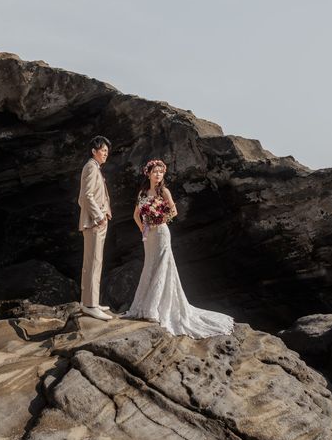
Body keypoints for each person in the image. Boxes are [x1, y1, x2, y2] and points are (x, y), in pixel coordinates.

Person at [125, 159, 234, 338]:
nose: (158, 174)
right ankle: (144, 306)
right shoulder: (143, 192)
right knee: (149, 265)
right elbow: (136, 214)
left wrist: (159, 220)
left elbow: (173, 211)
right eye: (155, 171)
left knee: (162, 266)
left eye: (161, 172)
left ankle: (155, 309)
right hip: (148, 236)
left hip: (161, 233)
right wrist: (143, 227)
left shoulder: (164, 191)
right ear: (149, 173)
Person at [78, 136, 113, 321]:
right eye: (103, 150)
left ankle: (90, 302)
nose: (106, 154)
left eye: (107, 151)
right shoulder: (91, 167)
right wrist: (99, 217)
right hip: (94, 223)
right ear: (94, 151)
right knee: (94, 262)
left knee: (93, 262)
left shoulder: (94, 167)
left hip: (95, 222)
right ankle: (91, 305)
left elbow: (82, 198)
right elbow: (86, 196)